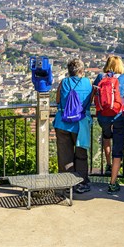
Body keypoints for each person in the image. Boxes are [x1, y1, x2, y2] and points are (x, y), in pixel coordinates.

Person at [93, 55, 124, 194]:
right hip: (119, 116)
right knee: (118, 148)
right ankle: (113, 183)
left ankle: (108, 164)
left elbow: (94, 96)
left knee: (106, 136)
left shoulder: (100, 77)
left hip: (103, 116)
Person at [53, 58, 93, 193]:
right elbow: (89, 101)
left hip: (62, 122)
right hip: (80, 124)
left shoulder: (64, 82)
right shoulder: (87, 83)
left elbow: (58, 100)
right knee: (81, 154)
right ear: (81, 70)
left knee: (65, 155)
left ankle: (66, 183)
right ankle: (81, 182)